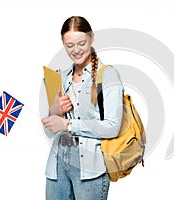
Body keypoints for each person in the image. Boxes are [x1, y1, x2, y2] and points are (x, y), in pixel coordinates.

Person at [41, 16, 124, 200]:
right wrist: (54, 111)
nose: (76, 50)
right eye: (70, 45)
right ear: (63, 43)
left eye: (81, 43)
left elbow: (112, 126)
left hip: (91, 170)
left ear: (91, 37)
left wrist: (68, 124)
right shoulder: (58, 77)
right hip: (56, 169)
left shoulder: (107, 75)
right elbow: (48, 132)